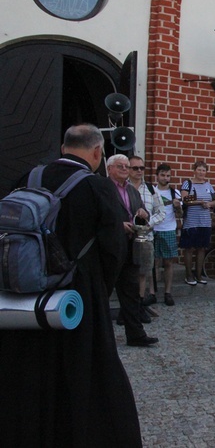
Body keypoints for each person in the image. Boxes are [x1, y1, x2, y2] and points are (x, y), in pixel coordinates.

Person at [0, 124, 142, 446]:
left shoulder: (28, 178)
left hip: (24, 296)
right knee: (83, 376)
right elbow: (113, 250)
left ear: (64, 148)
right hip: (76, 297)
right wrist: (99, 293)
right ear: (96, 153)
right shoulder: (97, 187)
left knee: (24, 372)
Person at [108, 154, 159, 347]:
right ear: (109, 169)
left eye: (126, 166)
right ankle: (98, 335)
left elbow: (142, 212)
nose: (124, 169)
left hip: (131, 247)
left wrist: (143, 214)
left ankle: (136, 334)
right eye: (120, 166)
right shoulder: (103, 188)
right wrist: (117, 225)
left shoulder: (132, 190)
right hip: (110, 248)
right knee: (103, 292)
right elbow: (97, 216)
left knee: (130, 292)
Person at [128, 156, 166, 317]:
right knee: (127, 273)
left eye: (141, 168)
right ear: (128, 169)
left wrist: (149, 223)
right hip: (126, 237)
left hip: (145, 238)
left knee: (143, 272)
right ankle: (127, 308)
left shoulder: (151, 189)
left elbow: (161, 212)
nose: (139, 171)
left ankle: (139, 305)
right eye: (135, 168)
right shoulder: (122, 187)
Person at [150, 163, 182, 306]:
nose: (165, 178)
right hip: (153, 228)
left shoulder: (175, 193)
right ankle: (152, 292)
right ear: (157, 176)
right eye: (162, 175)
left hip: (168, 228)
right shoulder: (151, 191)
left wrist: (178, 206)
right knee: (154, 262)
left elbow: (181, 214)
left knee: (168, 262)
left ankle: (168, 292)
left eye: (168, 175)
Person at [180, 161, 215, 285]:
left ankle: (199, 275)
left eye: (203, 170)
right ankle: (189, 275)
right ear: (194, 170)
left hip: (205, 222)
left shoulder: (208, 185)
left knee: (201, 249)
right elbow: (185, 200)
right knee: (189, 249)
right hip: (191, 222)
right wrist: (200, 202)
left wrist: (209, 204)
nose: (201, 172)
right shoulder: (187, 183)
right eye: (199, 170)